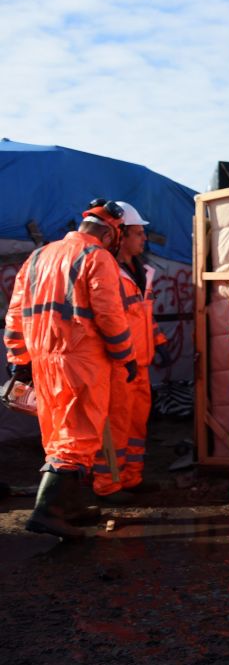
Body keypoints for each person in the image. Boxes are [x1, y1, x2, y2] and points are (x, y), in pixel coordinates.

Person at [4, 200, 136, 539]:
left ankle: (70, 507)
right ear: (110, 233)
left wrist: (18, 359)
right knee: (77, 439)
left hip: (43, 361)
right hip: (80, 361)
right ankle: (47, 513)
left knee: (58, 437)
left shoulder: (38, 257)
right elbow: (109, 315)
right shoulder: (96, 257)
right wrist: (126, 356)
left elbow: (15, 313)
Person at [92, 201, 169, 503]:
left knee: (136, 425)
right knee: (115, 426)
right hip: (119, 364)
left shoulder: (141, 272)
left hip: (140, 364)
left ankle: (130, 477)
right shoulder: (107, 271)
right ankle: (107, 485)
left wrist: (158, 342)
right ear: (121, 235)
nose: (144, 239)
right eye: (138, 234)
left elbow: (142, 316)